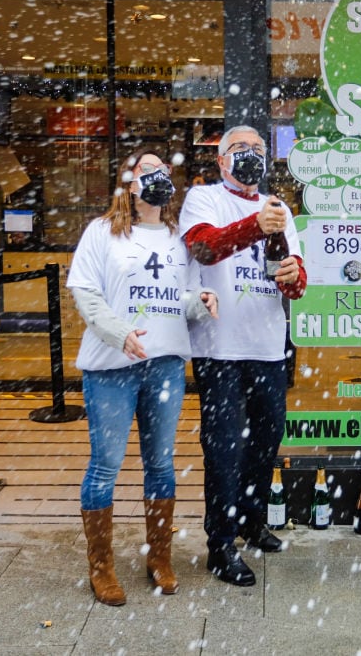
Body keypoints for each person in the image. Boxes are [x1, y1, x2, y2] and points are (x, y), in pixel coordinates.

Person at [68, 151, 218, 606]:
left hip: (166, 365)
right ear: (129, 182)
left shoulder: (179, 239)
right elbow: (85, 294)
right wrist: (119, 334)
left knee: (160, 464)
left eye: (164, 171)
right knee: (105, 465)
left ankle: (160, 557)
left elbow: (183, 298)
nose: (158, 177)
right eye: (148, 170)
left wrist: (202, 301)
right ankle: (102, 567)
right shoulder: (101, 232)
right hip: (110, 367)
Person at [179, 126, 307, 586]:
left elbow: (291, 280)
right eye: (240, 149)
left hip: (268, 346)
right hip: (220, 349)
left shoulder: (279, 209)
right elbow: (203, 247)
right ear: (221, 160)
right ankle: (220, 544)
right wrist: (256, 226)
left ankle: (253, 523)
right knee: (224, 449)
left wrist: (294, 274)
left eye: (257, 148)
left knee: (265, 442)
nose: (250, 155)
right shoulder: (204, 199)